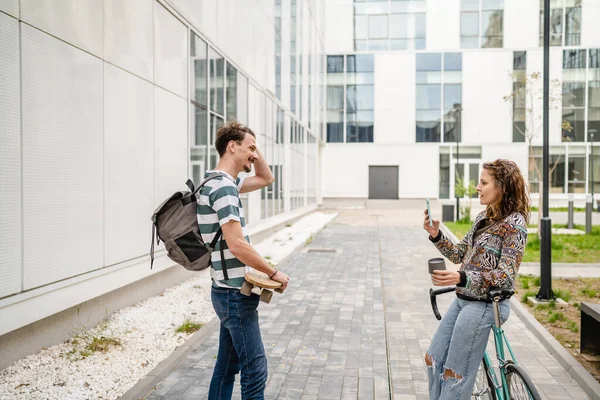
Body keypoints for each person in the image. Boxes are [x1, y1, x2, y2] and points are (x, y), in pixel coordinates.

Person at [422, 159, 530, 399]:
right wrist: (436, 235)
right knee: (433, 358)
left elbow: (505, 275)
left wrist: (462, 277)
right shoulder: (484, 217)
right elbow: (459, 253)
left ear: (502, 186)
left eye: (483, 182)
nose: (477, 188)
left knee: (454, 374)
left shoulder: (515, 224)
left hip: (485, 305)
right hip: (464, 300)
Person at [198, 120, 289, 400]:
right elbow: (238, 245)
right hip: (234, 294)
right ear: (231, 146)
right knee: (255, 368)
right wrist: (274, 273)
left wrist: (253, 150)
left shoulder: (216, 181)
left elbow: (266, 179)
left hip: (223, 289)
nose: (255, 153)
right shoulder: (225, 189)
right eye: (250, 148)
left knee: (227, 366)